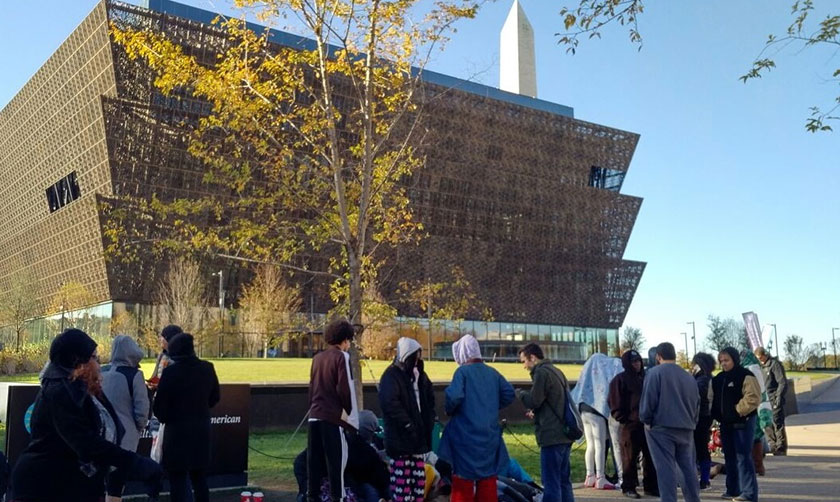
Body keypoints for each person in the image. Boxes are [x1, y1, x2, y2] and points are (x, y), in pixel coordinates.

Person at [9, 329, 161, 502]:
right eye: (94, 358)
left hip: (68, 486)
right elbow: (86, 443)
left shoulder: (84, 390)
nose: (99, 364)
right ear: (79, 364)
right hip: (44, 487)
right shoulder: (60, 393)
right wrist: (136, 464)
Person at [438, 334, 515, 502]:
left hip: (464, 437)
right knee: (488, 482)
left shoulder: (462, 372)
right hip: (489, 437)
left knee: (462, 484)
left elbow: (454, 397)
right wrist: (491, 406)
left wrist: (450, 409)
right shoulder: (493, 373)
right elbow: (509, 393)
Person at [153, 333, 221, 502]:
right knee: (200, 478)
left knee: (177, 479)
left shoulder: (170, 373)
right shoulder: (207, 368)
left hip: (176, 432)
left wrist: (165, 418)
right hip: (201, 430)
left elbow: (160, 406)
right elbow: (215, 397)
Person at [639, 342, 701, 502]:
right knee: (687, 468)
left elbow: (649, 401)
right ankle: (693, 498)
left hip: (661, 427)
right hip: (686, 427)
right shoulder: (688, 376)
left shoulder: (654, 373)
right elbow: (697, 403)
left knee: (665, 469)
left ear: (658, 357)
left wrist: (645, 420)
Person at [307, 318, 360, 502]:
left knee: (313, 464)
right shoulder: (341, 357)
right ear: (345, 339)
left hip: (314, 416)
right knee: (336, 466)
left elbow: (312, 387)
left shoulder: (317, 358)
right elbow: (345, 388)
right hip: (332, 418)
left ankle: (312, 498)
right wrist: (350, 415)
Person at [514, 342, 574, 502]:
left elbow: (534, 400)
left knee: (551, 483)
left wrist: (520, 394)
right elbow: (551, 401)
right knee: (564, 482)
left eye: (524, 361)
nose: (524, 366)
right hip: (564, 433)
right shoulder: (556, 371)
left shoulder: (541, 373)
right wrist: (538, 412)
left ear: (532, 357)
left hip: (551, 436)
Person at [379, 337, 436, 502]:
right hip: (401, 439)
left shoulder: (420, 376)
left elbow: (429, 398)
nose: (418, 360)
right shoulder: (391, 376)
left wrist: (428, 420)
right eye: (415, 357)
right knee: (403, 486)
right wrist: (408, 423)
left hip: (418, 439)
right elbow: (390, 403)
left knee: (418, 485)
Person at [294, 410, 390, 502]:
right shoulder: (359, 448)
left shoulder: (349, 444)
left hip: (331, 486)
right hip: (335, 488)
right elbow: (380, 476)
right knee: (369, 490)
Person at [101, 334, 151, 502]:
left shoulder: (101, 371)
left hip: (100, 434)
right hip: (125, 437)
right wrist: (139, 427)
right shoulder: (135, 375)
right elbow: (142, 408)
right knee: (116, 486)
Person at [713, 347, 761, 502]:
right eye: (721, 361)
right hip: (726, 424)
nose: (724, 364)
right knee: (730, 457)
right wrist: (716, 414)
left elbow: (753, 398)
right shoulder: (719, 378)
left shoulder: (746, 376)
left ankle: (749, 493)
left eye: (726, 360)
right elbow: (713, 398)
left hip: (743, 423)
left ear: (734, 359)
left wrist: (736, 411)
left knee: (743, 457)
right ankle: (732, 489)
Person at [608, 349, 657, 499]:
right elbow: (614, 402)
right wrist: (623, 418)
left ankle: (650, 486)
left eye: (638, 361)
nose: (636, 364)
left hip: (647, 424)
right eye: (633, 362)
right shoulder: (620, 379)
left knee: (650, 457)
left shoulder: (646, 378)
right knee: (629, 458)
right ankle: (628, 486)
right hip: (630, 424)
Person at [570, 353, 623, 490]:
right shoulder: (610, 366)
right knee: (600, 444)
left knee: (590, 444)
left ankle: (590, 475)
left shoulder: (590, 367)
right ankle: (600, 477)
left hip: (583, 407)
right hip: (597, 409)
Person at [754, 346, 788, 456]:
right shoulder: (760, 367)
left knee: (777, 422)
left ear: (765, 355)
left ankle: (781, 447)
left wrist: (778, 398)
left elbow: (782, 382)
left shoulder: (774, 364)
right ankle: (772, 445)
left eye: (760, 358)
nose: (760, 360)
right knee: (766, 423)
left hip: (774, 398)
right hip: (765, 399)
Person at [690, 352, 716, 490]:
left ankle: (699, 479)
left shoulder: (700, 381)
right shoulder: (710, 379)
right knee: (703, 450)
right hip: (706, 418)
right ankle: (705, 479)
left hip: (697, 419)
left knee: (695, 450)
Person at [148, 324, 183, 389]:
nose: (160, 339)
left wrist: (161, 386)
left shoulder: (181, 358)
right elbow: (155, 376)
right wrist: (150, 383)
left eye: (162, 336)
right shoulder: (161, 355)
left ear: (168, 338)